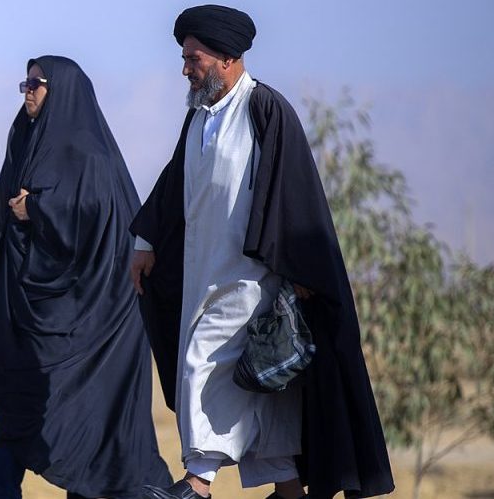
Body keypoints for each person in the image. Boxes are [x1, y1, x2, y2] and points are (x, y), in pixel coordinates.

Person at [129, 5, 395, 499]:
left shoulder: (264, 109)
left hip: (252, 277)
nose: (185, 68)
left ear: (228, 58)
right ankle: (290, 490)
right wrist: (145, 242)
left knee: (200, 362)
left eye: (194, 58)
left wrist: (299, 269)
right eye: (184, 58)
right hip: (201, 271)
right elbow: (172, 186)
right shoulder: (200, 118)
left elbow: (296, 195)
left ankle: (197, 482)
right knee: (262, 392)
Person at [0, 55, 173, 499]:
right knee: (24, 394)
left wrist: (36, 209)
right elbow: (4, 200)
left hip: (99, 311)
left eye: (37, 84)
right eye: (25, 83)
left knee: (85, 411)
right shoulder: (25, 137)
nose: (28, 91)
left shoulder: (90, 155)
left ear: (65, 91)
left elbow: (101, 220)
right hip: (40, 309)